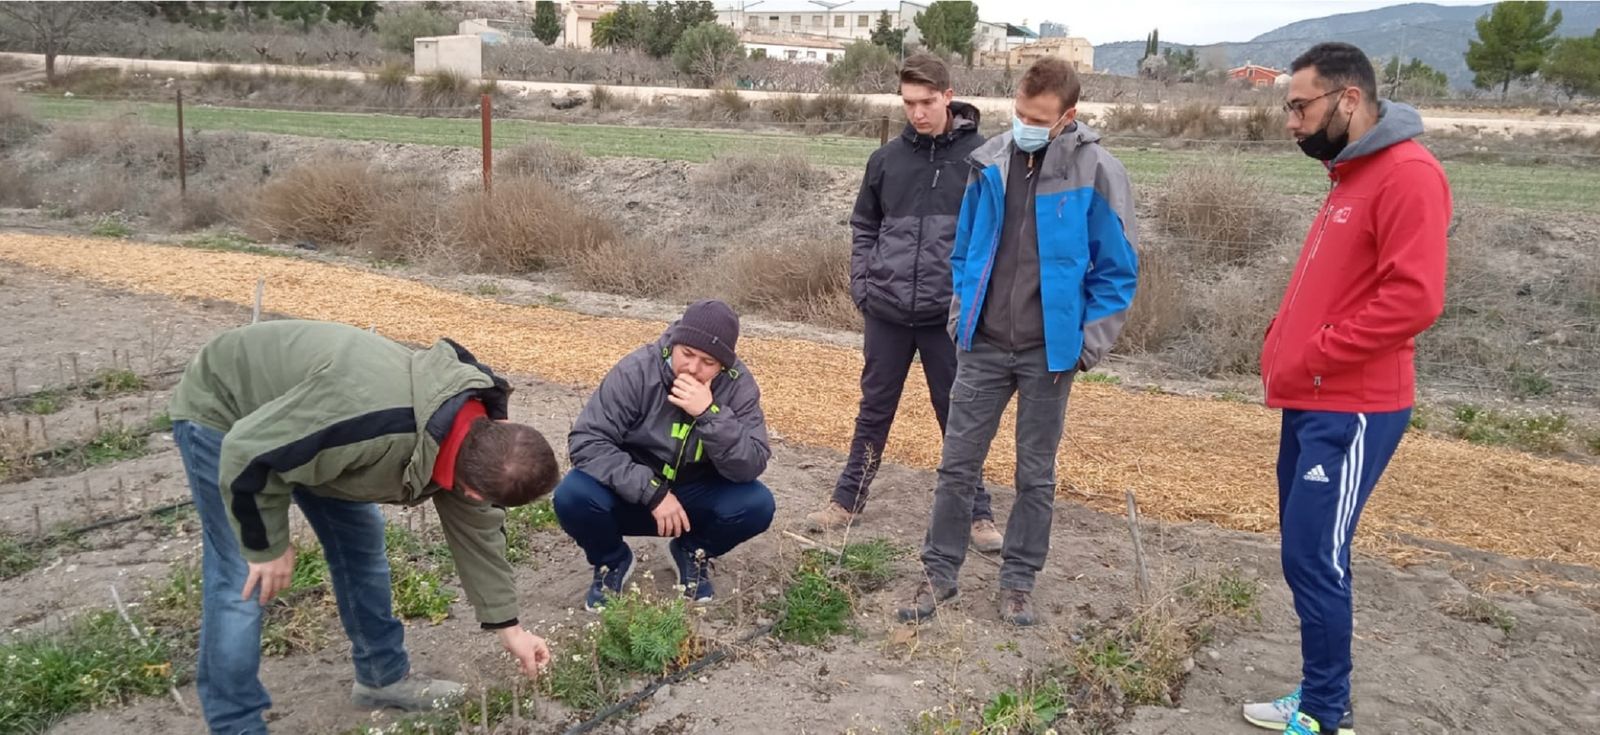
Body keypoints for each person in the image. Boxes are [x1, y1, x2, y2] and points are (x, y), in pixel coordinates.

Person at [168, 319, 561, 735]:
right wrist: (265, 546)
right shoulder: (373, 427)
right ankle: (236, 725)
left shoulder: (475, 438)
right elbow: (248, 452)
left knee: (361, 546)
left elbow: (479, 535)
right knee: (242, 581)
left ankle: (381, 679)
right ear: (501, 431)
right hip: (229, 413)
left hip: (309, 435)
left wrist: (510, 629)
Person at [1242, 42, 1450, 735]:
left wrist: (1321, 350)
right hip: (1313, 396)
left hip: (1354, 405)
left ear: (1349, 99)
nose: (1291, 121)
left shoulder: (1408, 175)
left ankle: (1326, 714)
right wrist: (1288, 345)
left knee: (1313, 552)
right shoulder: (1350, 176)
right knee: (1312, 552)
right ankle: (1320, 695)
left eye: (1301, 106)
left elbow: (1414, 299)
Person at [897, 57, 1138, 627]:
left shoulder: (1099, 173)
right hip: (981, 344)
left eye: (1037, 117)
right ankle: (939, 572)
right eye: (1018, 112)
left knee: (1036, 474)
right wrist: (961, 316)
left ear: (1068, 116)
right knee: (957, 465)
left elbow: (1117, 272)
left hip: (1049, 355)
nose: (1024, 124)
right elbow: (964, 251)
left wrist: (1087, 345)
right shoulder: (990, 164)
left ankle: (1018, 582)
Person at [803, 53, 1001, 552]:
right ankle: (847, 501)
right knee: (874, 410)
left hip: (946, 319)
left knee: (956, 415)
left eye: (927, 102)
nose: (917, 113)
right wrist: (863, 287)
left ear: (949, 97)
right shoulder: (885, 159)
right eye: (909, 102)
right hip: (887, 311)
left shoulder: (984, 159)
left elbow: (993, 241)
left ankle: (976, 513)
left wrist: (971, 305)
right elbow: (864, 226)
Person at [554, 299, 775, 611]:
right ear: (675, 343)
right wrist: (652, 493)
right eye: (687, 354)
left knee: (757, 505)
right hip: (632, 492)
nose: (693, 369)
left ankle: (691, 551)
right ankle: (612, 561)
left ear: (723, 365)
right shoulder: (638, 370)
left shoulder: (739, 387)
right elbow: (587, 441)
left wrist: (709, 414)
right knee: (572, 495)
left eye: (708, 362)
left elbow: (751, 462)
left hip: (693, 495)